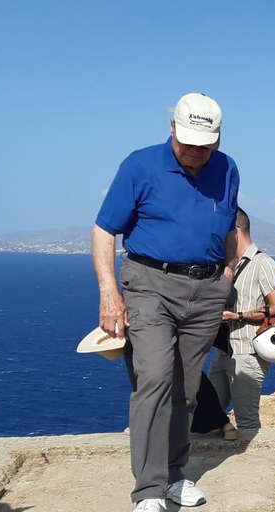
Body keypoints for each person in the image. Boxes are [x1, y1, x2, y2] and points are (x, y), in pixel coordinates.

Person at [93, 93, 239, 512]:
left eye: (205, 145)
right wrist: (109, 294)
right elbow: (104, 230)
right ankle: (149, 490)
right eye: (189, 142)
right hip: (150, 284)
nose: (196, 152)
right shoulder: (140, 165)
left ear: (218, 139)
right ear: (172, 128)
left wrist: (227, 273)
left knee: (187, 390)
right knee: (154, 378)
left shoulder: (227, 168)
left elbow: (228, 225)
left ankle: (175, 475)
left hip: (207, 288)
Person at [209, 208, 275, 430]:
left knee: (246, 420)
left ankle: (257, 465)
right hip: (223, 351)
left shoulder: (263, 264)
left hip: (247, 353)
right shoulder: (228, 265)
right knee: (207, 414)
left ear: (235, 230)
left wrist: (237, 316)